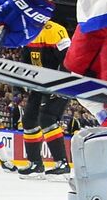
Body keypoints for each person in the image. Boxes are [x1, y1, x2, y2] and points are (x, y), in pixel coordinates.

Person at [18, 19, 74, 177]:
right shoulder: (27, 30)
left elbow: (68, 60)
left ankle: (62, 164)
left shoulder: (56, 30)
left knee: (47, 118)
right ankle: (35, 164)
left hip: (60, 82)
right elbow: (25, 60)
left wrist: (60, 84)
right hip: (39, 83)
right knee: (29, 120)